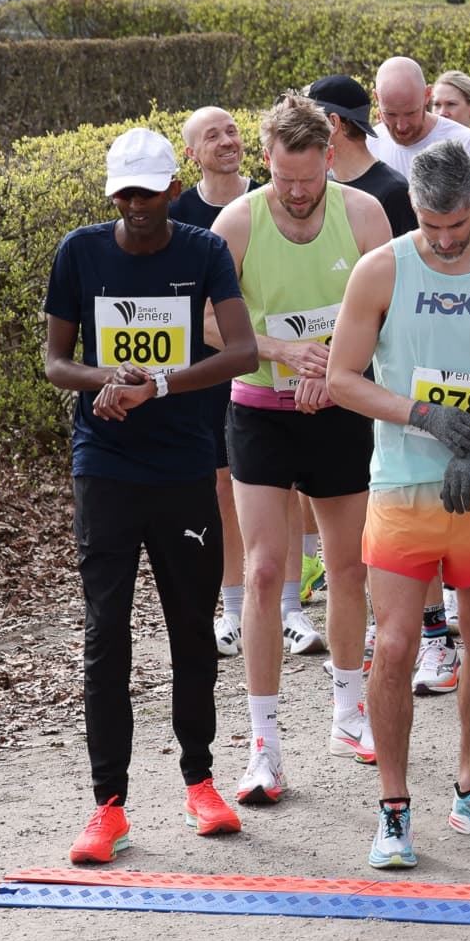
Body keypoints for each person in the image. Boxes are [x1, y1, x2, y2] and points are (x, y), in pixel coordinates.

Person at [326, 141, 470, 868]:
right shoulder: (382, 269)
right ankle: (393, 809)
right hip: (402, 481)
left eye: (457, 224)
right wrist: (423, 417)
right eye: (431, 225)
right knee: (394, 643)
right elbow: (341, 378)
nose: (445, 239)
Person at [45, 129, 257, 863]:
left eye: (148, 191)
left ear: (173, 189)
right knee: (107, 636)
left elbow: (242, 351)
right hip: (104, 467)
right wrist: (103, 381)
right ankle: (108, 806)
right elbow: (54, 359)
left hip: (183, 468)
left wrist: (158, 384)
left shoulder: (202, 252)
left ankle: (200, 782)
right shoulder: (80, 252)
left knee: (192, 630)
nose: (135, 205)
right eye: (123, 193)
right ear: (113, 195)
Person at [211, 95, 394, 807]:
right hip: (260, 411)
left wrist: (336, 370)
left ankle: (348, 714)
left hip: (341, 410)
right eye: (283, 178)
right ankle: (264, 744)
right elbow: (207, 322)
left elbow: (387, 308)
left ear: (328, 157)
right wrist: (284, 352)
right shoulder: (236, 223)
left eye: (307, 177)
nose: (294, 192)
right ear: (268, 162)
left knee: (349, 567)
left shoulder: (364, 214)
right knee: (262, 572)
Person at [171, 107, 261, 654]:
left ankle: (288, 606)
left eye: (231, 131)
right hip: (209, 368)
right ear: (192, 153)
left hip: (277, 362)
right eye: (213, 136)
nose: (227, 141)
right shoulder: (178, 213)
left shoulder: (275, 195)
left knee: (289, 484)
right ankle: (232, 609)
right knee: (224, 485)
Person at [369, 58, 470, 199]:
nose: (402, 126)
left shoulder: (468, 144)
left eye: (410, 113)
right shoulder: (367, 144)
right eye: (391, 114)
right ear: (376, 98)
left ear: (427, 95)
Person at [307, 75, 417, 236]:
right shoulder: (321, 183)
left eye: (308, 120)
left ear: (333, 123)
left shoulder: (393, 192)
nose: (301, 129)